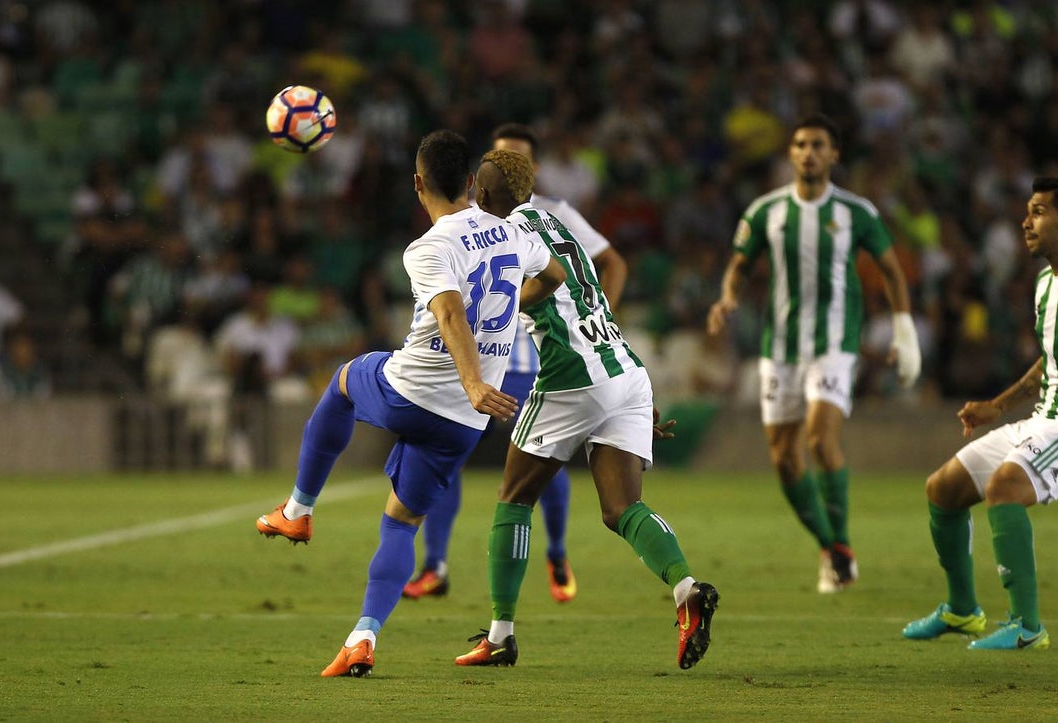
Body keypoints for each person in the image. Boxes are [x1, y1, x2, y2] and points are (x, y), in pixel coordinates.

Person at [255, 130, 566, 677]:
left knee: (346, 379)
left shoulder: (429, 246)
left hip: (416, 391)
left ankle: (298, 511)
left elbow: (448, 313)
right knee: (400, 524)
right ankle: (363, 637)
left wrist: (471, 378)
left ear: (418, 183)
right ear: (471, 183)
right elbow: (555, 276)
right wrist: (508, 313)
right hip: (464, 422)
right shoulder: (515, 232)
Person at [454, 148, 718, 671]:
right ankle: (686, 588)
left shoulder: (504, 233)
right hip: (624, 369)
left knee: (513, 499)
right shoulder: (555, 221)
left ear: (481, 194)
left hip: (571, 376)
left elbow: (517, 292)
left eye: (476, 189)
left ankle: (502, 635)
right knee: (622, 509)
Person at [903, 177, 1058, 650]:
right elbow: (1049, 360)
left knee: (1004, 487)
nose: (1025, 222)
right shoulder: (1044, 284)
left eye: (1037, 212)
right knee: (942, 488)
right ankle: (962, 610)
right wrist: (997, 405)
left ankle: (1027, 626)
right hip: (1041, 421)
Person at [404, 122, 628, 604]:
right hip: (483, 354)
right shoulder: (473, 219)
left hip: (536, 359)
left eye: (517, 159)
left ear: (534, 170)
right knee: (449, 457)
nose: (505, 168)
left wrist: (593, 326)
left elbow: (610, 263)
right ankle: (436, 564)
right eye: (497, 158)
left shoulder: (555, 213)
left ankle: (557, 554)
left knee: (543, 464)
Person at [706, 113, 921, 593]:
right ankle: (831, 547)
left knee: (820, 440)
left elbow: (891, 269)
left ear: (834, 154)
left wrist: (903, 327)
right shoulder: (766, 211)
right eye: (801, 144)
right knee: (783, 457)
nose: (808, 152)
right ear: (791, 153)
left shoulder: (855, 212)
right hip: (779, 348)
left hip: (835, 345)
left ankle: (840, 544)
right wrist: (727, 297)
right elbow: (739, 265)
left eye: (818, 144)